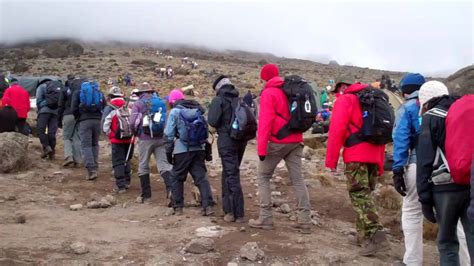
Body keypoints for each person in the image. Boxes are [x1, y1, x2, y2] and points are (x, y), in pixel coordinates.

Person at [325, 82, 389, 256]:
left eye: (338, 90)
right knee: (366, 194)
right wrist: (381, 163)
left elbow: (337, 130)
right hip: (375, 155)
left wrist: (331, 160)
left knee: (359, 194)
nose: (337, 93)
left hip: (356, 155)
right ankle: (363, 236)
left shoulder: (346, 100)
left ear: (343, 87)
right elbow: (382, 133)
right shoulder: (375, 99)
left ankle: (376, 233)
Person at [248, 64, 312, 234]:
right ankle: (305, 220)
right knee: (298, 180)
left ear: (264, 78)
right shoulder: (289, 89)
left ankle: (266, 218)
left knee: (263, 176)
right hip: (296, 140)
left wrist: (261, 150)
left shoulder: (269, 93)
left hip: (278, 142)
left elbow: (265, 124)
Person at [417, 81, 473, 265]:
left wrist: (424, 198)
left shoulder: (431, 116)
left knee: (447, 242)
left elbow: (424, 161)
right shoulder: (464, 111)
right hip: (470, 183)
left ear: (425, 101)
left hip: (445, 187)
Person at [391, 73, 426, 264]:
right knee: (453, 216)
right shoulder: (445, 107)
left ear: (404, 91)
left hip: (417, 164)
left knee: (412, 210)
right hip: (448, 167)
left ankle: (412, 261)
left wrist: (398, 170)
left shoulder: (408, 108)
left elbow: (401, 139)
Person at [164, 89, 215, 216]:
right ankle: (207, 206)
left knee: (177, 177)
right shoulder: (198, 110)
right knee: (201, 178)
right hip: (199, 148)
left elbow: (169, 134)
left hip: (182, 150)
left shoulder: (175, 112)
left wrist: (169, 153)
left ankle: (178, 207)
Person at [208, 75, 247, 223]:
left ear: (218, 88)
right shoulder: (239, 99)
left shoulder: (219, 100)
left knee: (231, 174)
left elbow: (212, 121)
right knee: (230, 171)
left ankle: (236, 212)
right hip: (241, 141)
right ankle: (229, 208)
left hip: (226, 141)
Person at [130, 82, 173, 204]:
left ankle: (146, 196)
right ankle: (171, 191)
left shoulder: (138, 104)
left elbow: (133, 121)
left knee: (143, 165)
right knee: (164, 165)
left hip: (145, 138)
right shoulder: (161, 102)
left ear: (141, 93)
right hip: (160, 137)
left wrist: (135, 132)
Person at [71, 80, 106, 180]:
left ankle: (91, 170)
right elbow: (104, 105)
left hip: (84, 121)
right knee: (95, 144)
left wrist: (78, 117)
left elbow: (73, 108)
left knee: (86, 145)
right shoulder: (99, 92)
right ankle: (95, 166)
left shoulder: (78, 93)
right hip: (97, 121)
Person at [102, 87, 134, 193]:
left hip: (117, 140)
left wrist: (111, 135)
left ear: (110, 96)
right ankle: (127, 181)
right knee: (126, 160)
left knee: (118, 162)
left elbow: (105, 126)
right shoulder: (129, 107)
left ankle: (120, 186)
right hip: (130, 140)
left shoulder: (110, 108)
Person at [59, 75, 82, 167]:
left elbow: (60, 105)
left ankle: (69, 157)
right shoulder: (81, 89)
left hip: (68, 114)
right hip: (79, 116)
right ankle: (78, 159)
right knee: (76, 137)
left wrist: (59, 119)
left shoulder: (65, 89)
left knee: (66, 137)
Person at [36, 80, 62, 159]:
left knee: (41, 129)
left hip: (44, 112)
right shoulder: (58, 88)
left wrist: (41, 107)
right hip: (55, 112)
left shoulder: (41, 87)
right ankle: (52, 153)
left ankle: (46, 147)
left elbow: (38, 100)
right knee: (51, 132)